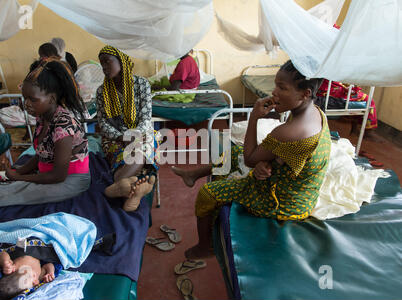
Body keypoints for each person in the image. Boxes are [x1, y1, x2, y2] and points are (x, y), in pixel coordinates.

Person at [172, 60, 331, 259]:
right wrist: (270, 162)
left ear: (305, 93)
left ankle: (205, 247)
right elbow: (291, 155)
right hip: (298, 188)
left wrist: (255, 116)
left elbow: (249, 159)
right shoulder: (315, 112)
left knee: (207, 193)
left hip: (282, 202)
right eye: (275, 85)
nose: (274, 92)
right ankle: (193, 174)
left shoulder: (288, 132)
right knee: (233, 153)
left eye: (282, 88)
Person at [0, 58, 90, 214]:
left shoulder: (64, 127)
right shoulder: (43, 116)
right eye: (25, 98)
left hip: (69, 182)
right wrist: (20, 171)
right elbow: (41, 154)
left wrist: (19, 177)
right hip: (50, 174)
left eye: (33, 99)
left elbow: (58, 176)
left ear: (52, 98)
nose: (27, 104)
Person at [96, 45, 158, 212]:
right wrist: (120, 137)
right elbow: (103, 123)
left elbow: (146, 117)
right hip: (114, 137)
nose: (104, 67)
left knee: (139, 151)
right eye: (101, 63)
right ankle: (135, 190)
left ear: (122, 61)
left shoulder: (141, 84)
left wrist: (134, 135)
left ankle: (116, 189)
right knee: (122, 155)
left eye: (107, 62)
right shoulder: (102, 91)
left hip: (140, 132)